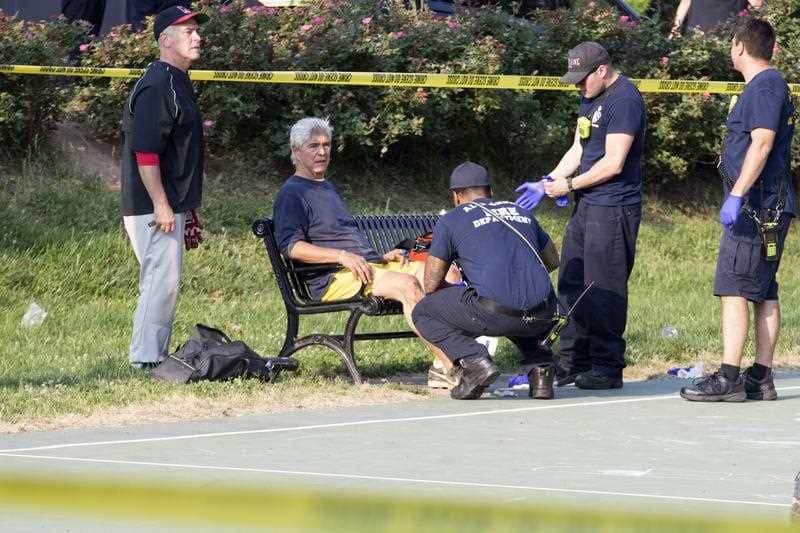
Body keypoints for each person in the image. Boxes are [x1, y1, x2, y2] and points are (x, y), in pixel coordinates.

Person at [272, 117, 454, 378]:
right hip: (333, 278)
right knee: (407, 285)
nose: (322, 152)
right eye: (314, 146)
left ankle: (457, 357)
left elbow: (339, 236)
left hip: (365, 267)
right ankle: (452, 368)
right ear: (296, 151)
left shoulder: (326, 187)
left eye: (327, 145)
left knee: (445, 275)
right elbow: (291, 247)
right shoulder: (292, 194)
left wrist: (380, 257)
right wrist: (342, 256)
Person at [516, 41, 646, 390]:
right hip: (587, 205)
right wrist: (549, 181)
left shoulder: (625, 100)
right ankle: (571, 362)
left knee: (603, 287)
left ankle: (607, 366)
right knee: (572, 282)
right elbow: (579, 147)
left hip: (613, 206)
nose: (577, 86)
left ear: (602, 70)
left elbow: (613, 162)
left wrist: (568, 185)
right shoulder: (590, 96)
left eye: (581, 79)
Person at [681, 18, 795, 402]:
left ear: (740, 47)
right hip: (769, 204)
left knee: (733, 287)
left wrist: (738, 195)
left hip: (757, 207)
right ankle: (760, 378)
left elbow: (761, 143)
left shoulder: (764, 86)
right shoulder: (769, 85)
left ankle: (728, 378)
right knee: (763, 290)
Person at [412, 162, 560, 400]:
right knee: (518, 307)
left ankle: (475, 361)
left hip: (495, 314)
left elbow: (430, 283)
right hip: (545, 311)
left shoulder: (451, 219)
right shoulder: (520, 212)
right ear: (489, 191)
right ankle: (541, 368)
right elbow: (552, 260)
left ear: (456, 196)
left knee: (424, 312)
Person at [120, 5, 208, 369]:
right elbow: (146, 153)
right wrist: (161, 204)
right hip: (152, 204)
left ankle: (153, 355)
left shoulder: (176, 80)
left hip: (170, 203)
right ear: (165, 39)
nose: (198, 37)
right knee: (160, 283)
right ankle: (145, 360)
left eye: (196, 31)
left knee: (165, 284)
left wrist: (187, 208)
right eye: (188, 31)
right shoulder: (158, 84)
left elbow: (178, 153)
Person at [671, 0, 762, 37]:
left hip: (725, 42)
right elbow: (685, 3)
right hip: (694, 39)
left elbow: (757, 6)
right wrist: (675, 30)